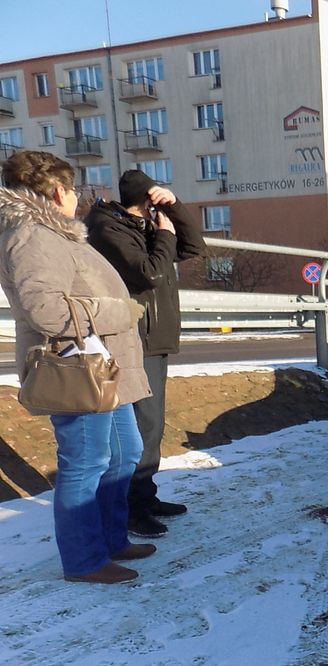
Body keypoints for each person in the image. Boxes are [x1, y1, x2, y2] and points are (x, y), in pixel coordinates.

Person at [0, 151, 154, 584]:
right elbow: (45, 311)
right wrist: (118, 312)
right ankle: (84, 560)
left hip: (104, 366)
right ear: (56, 191)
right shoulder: (32, 236)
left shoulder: (58, 234)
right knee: (86, 463)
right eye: (73, 189)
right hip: (76, 369)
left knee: (125, 453)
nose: (76, 196)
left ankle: (111, 538)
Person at [86, 169, 204, 538]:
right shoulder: (110, 229)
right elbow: (149, 273)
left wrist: (177, 210)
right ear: (144, 202)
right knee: (141, 427)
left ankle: (145, 497)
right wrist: (164, 234)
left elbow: (194, 247)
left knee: (150, 426)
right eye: (157, 202)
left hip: (154, 337)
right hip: (134, 338)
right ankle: (132, 509)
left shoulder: (143, 228)